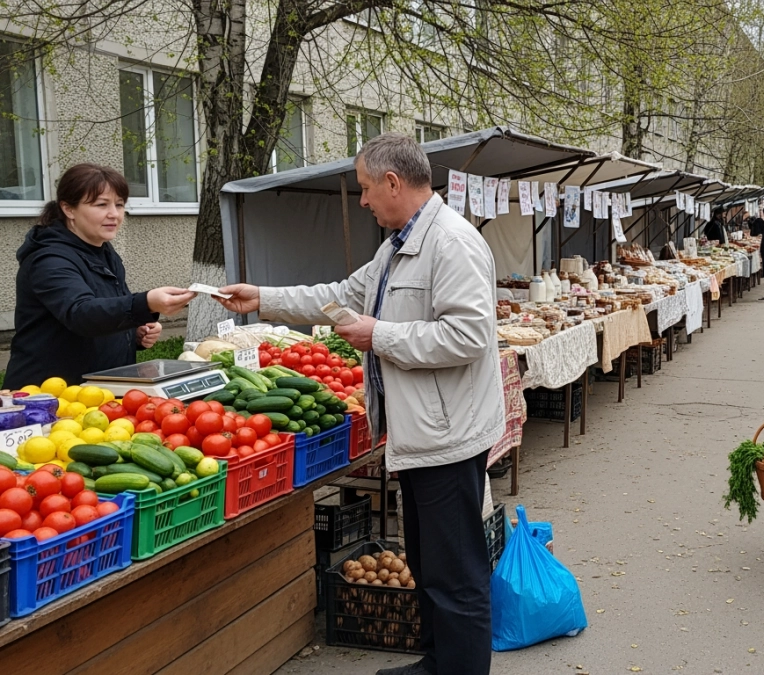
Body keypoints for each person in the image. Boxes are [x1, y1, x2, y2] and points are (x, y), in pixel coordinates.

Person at [215, 133, 504, 675]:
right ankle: (439, 661)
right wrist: (266, 299)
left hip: (447, 438)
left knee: (457, 576)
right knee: (428, 563)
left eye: (368, 189)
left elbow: (469, 337)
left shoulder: (453, 244)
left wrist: (383, 335)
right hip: (420, 434)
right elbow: (343, 297)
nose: (365, 201)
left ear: (394, 183)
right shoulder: (396, 244)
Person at [6, 164, 196, 389]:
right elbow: (81, 314)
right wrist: (145, 303)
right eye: (101, 205)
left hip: (97, 392)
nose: (114, 214)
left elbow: (105, 310)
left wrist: (133, 333)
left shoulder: (103, 250)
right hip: (48, 396)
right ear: (68, 209)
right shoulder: (49, 259)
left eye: (119, 204)